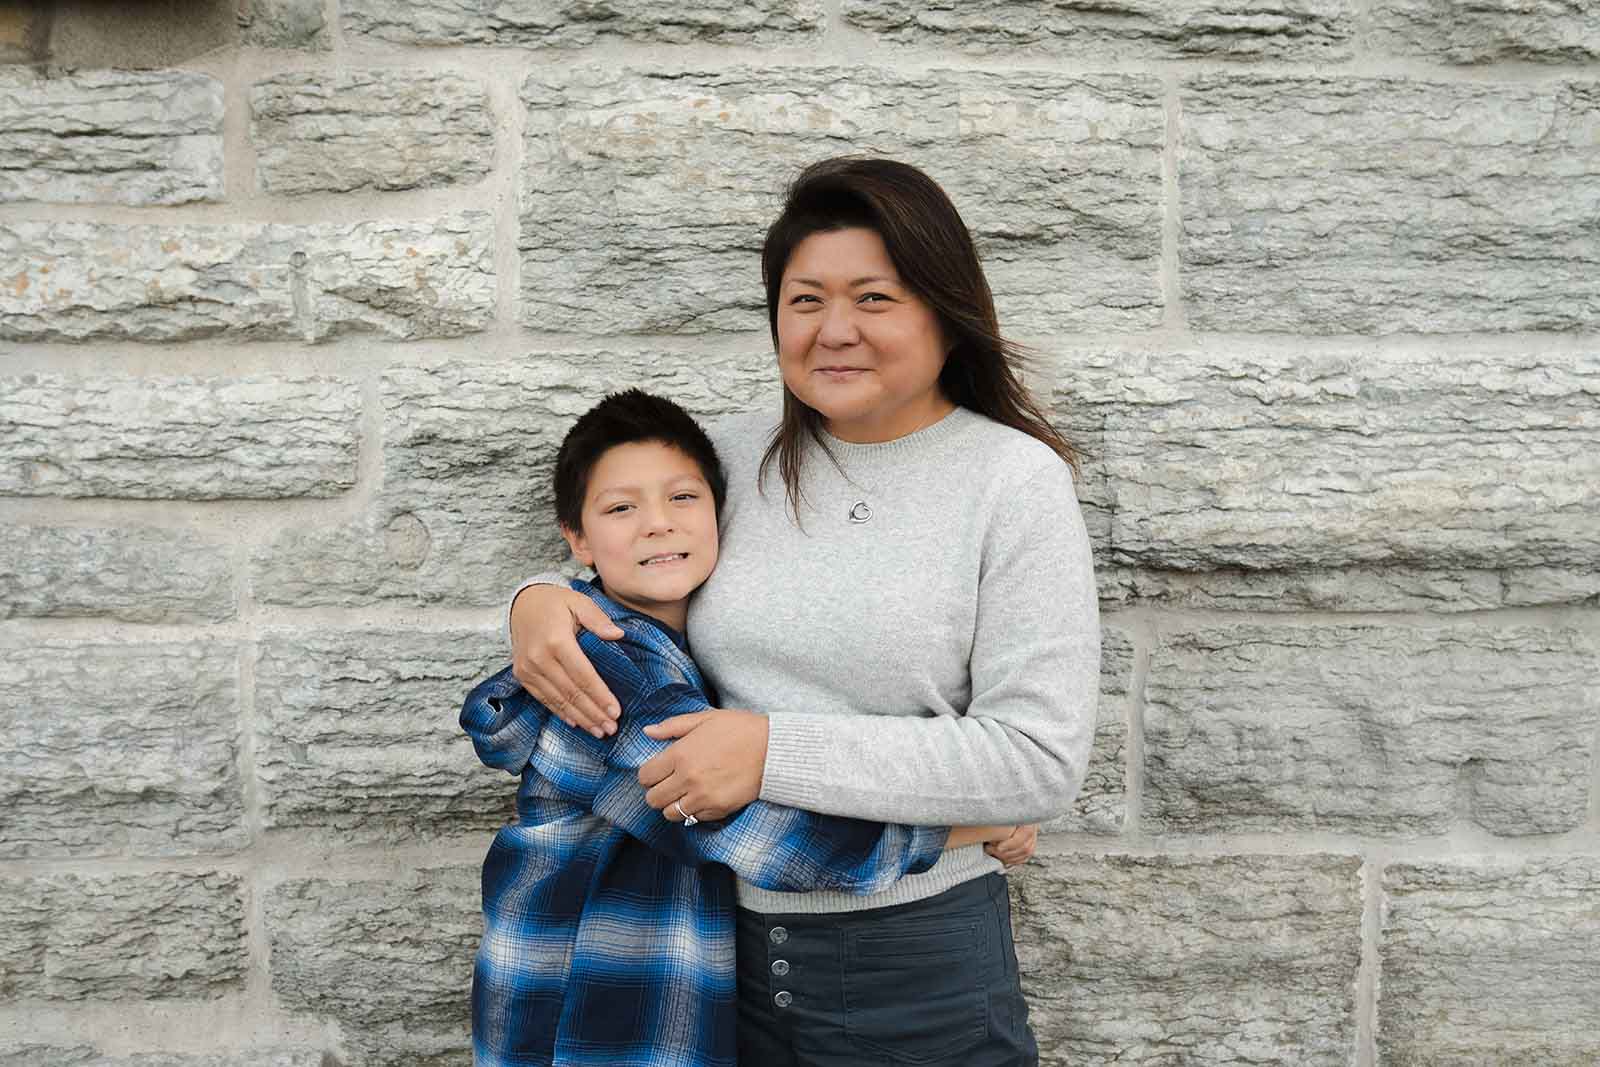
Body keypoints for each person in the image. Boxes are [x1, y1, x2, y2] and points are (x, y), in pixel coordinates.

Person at [507, 158, 1099, 1066]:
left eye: (874, 297)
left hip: (916, 971)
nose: (835, 331)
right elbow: (632, 560)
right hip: (712, 960)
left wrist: (768, 749)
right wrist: (539, 601)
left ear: (945, 308)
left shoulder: (1011, 482)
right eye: (805, 300)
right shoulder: (733, 457)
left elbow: (1037, 760)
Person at [463, 388, 1028, 1067]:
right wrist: (971, 823)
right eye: (620, 508)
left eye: (683, 498)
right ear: (576, 537)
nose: (657, 524)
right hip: (584, 1015)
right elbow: (761, 832)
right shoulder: (601, 664)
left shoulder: (686, 646)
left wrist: (535, 592)